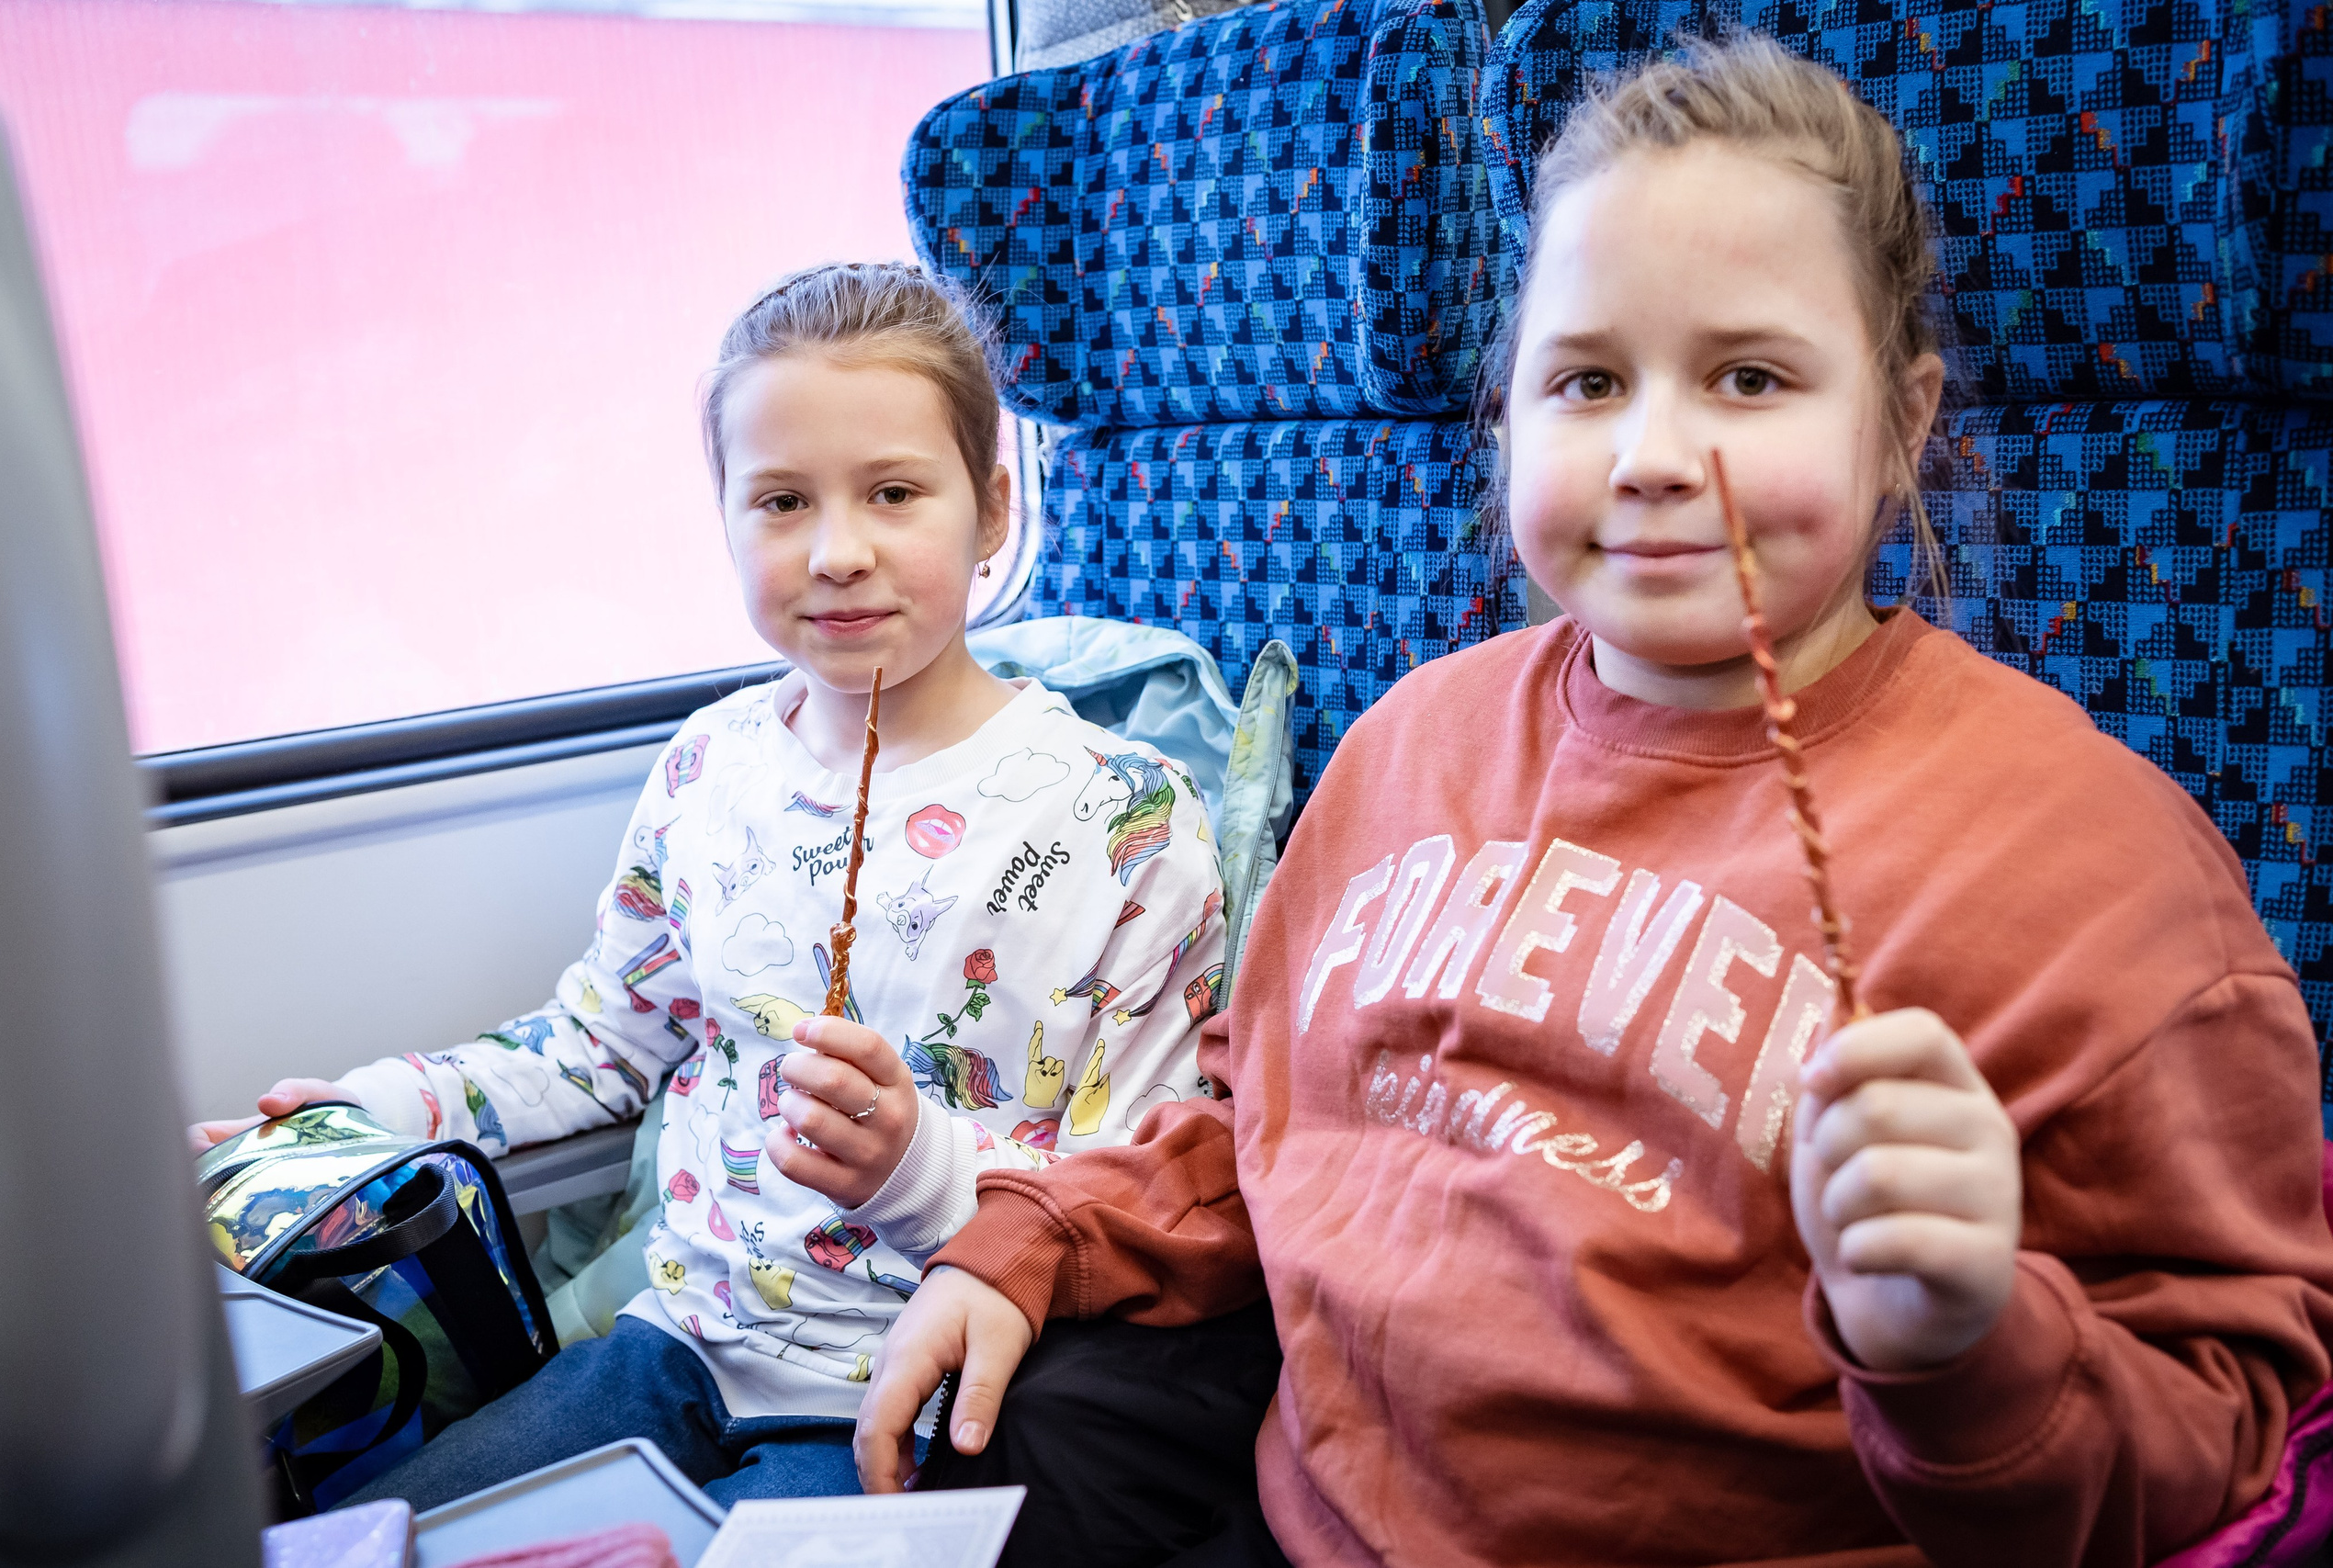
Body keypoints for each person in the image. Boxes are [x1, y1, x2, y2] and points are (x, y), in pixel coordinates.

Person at [851, 38, 2333, 1568]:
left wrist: (1963, 1339)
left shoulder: (2095, 865)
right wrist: (1038, 1238)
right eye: (1588, 382)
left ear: (1899, 423)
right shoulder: (1409, 746)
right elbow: (1264, 1125)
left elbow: (2223, 1422)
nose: (1651, 458)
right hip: (1314, 1498)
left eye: (1749, 379)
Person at [186, 263, 1228, 1509]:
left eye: (894, 493)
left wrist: (918, 1165)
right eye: (783, 502)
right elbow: (602, 1045)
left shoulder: (1127, 815)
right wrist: (366, 1115)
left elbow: (1130, 1186)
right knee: (371, 1535)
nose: (838, 553)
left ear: (993, 509)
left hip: (908, 1384)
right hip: (672, 1347)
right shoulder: (708, 768)